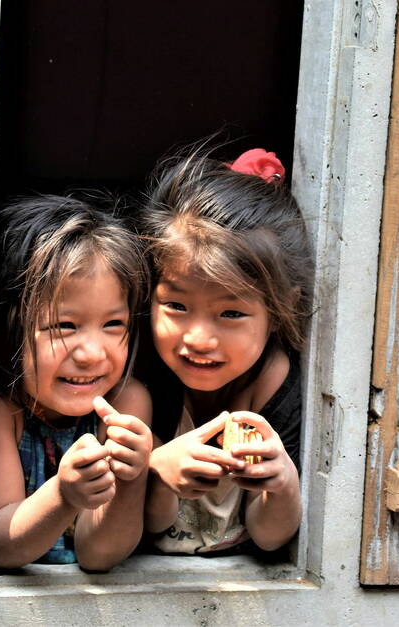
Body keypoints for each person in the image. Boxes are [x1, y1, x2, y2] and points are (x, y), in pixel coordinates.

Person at [140, 147, 313, 555]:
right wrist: (159, 474)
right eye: (176, 306)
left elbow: (270, 536)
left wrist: (282, 482)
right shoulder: (144, 380)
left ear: (281, 309)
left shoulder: (273, 382)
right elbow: (146, 527)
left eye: (231, 312)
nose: (199, 338)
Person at [0, 194, 153, 570]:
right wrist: (63, 494)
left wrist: (131, 478)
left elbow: (99, 554)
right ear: (3, 332)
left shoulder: (127, 405)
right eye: (64, 326)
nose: (91, 353)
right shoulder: (1, 409)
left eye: (113, 325)